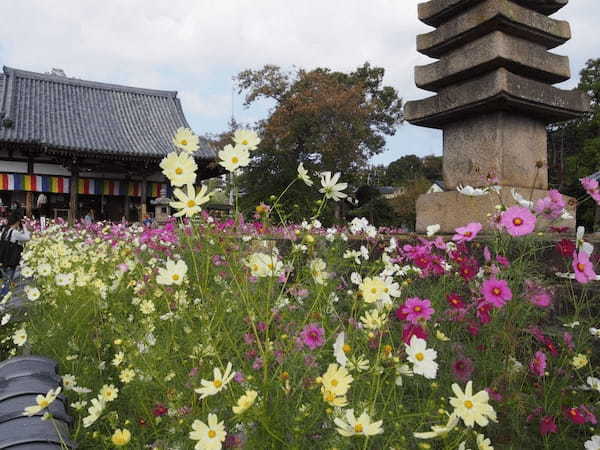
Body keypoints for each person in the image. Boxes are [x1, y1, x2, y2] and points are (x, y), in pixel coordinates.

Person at [0, 214, 31, 298]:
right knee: (7, 282)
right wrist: (24, 226)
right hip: (11, 260)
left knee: (3, 280)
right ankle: (2, 300)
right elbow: (27, 238)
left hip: (3, 259)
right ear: (17, 222)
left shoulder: (4, 230)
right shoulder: (14, 232)